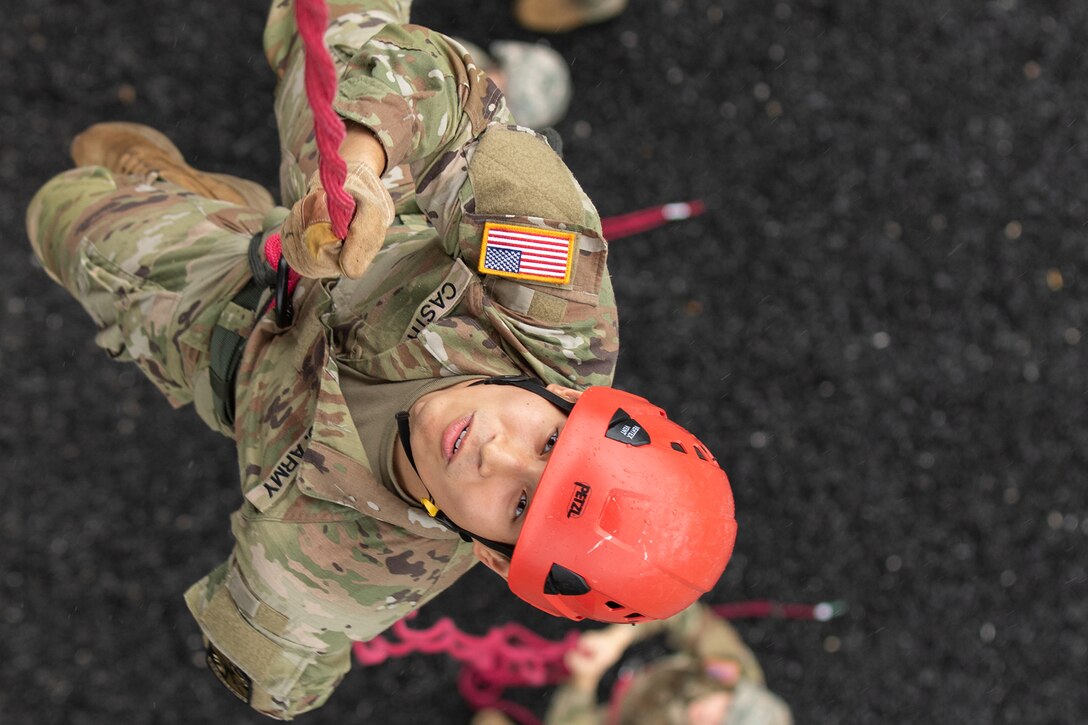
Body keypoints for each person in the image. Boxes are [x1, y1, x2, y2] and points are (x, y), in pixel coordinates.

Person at [25, 0, 735, 719]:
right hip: (360, 207)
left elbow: (275, 678)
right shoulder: (554, 301)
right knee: (349, 35)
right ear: (563, 394)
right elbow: (461, 107)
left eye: (520, 506)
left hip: (226, 334)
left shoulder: (339, 577)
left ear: (490, 554)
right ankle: (284, 183)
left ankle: (184, 197)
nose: (497, 453)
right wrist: (362, 169)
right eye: (549, 440)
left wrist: (272, 621)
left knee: (60, 213)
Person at [474, 603, 793, 725]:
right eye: (727, 707)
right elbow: (682, 612)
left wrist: (583, 683)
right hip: (641, 682)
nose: (708, 713)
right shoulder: (732, 674)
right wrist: (617, 640)